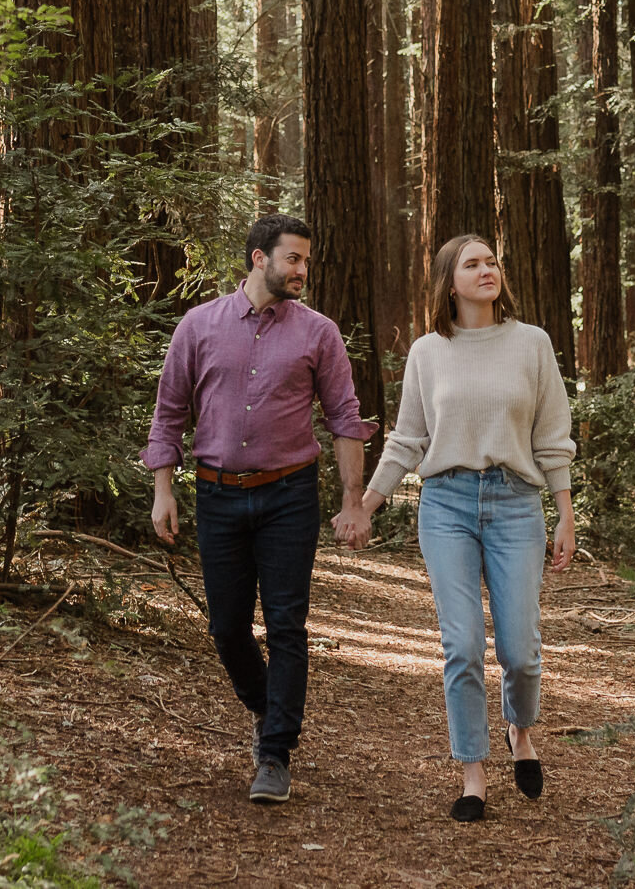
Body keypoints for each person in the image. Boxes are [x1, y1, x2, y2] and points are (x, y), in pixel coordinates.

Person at [145, 214, 377, 805]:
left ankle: (274, 752)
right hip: (216, 492)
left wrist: (355, 500)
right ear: (258, 259)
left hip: (288, 495)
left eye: (306, 260)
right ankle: (269, 705)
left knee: (286, 624)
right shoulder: (199, 326)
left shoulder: (319, 334)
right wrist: (163, 489)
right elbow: (170, 412)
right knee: (225, 627)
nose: (303, 270)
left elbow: (345, 419)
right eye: (293, 258)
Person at [347, 234, 577, 822]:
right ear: (450, 282)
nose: (486, 271)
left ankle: (519, 732)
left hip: (516, 503)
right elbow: (407, 439)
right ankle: (473, 772)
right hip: (445, 505)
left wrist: (565, 511)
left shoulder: (532, 343)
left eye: (492, 262)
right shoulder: (428, 351)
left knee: (521, 651)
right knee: (464, 646)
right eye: (472, 264)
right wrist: (365, 505)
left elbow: (552, 435)